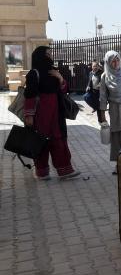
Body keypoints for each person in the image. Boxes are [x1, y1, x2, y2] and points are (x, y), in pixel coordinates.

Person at [23, 46, 81, 180]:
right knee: (41, 140)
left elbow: (64, 89)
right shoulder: (34, 73)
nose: (50, 57)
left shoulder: (53, 71)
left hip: (56, 112)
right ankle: (42, 172)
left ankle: (65, 170)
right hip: (41, 113)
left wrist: (60, 78)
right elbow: (29, 95)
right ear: (40, 56)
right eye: (47, 54)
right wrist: (29, 115)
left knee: (59, 139)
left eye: (50, 54)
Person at [99, 50, 121, 174]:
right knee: (116, 138)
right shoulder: (105, 76)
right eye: (112, 61)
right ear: (108, 63)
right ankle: (118, 164)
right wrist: (102, 116)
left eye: (117, 60)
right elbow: (102, 97)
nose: (115, 63)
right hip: (114, 110)